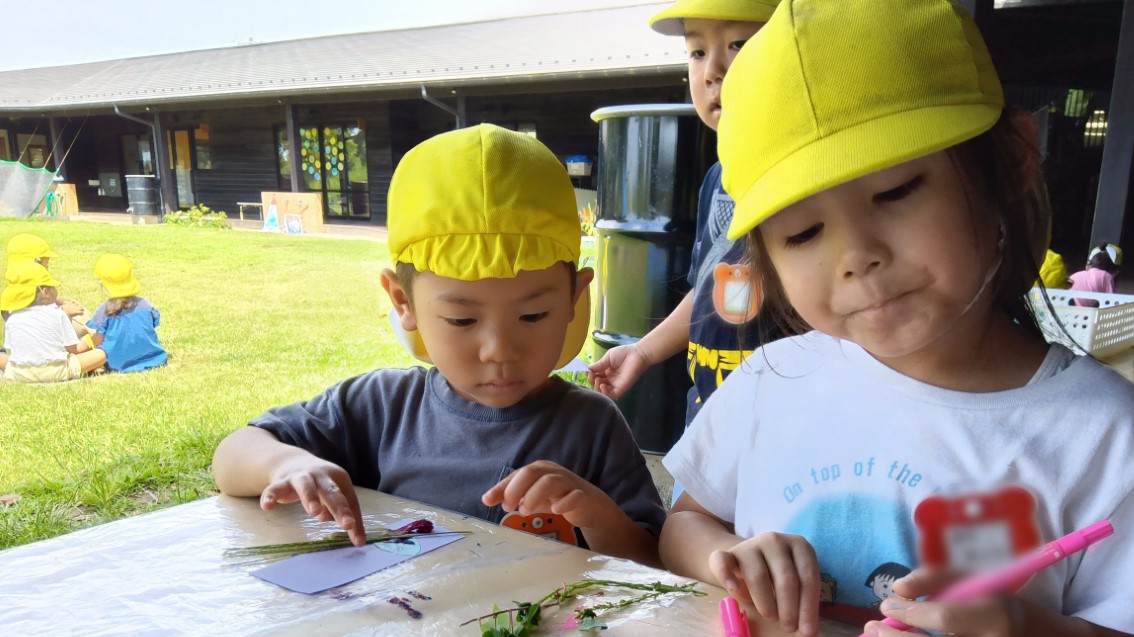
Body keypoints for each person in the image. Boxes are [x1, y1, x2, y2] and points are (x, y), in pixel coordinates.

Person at [659, 0, 1134, 637]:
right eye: (801, 233)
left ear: (1010, 163)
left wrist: (1021, 635)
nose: (858, 258)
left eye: (897, 190)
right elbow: (684, 523)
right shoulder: (771, 382)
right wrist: (728, 560)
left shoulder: (1102, 431)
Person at [212, 124, 665, 566]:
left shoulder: (592, 427)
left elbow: (654, 563)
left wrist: (593, 513)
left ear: (574, 298)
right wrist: (286, 465)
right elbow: (234, 454)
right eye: (462, 319)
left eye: (532, 316)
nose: (499, 350)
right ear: (403, 301)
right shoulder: (382, 408)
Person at [587, 0, 795, 430]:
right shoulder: (716, 179)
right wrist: (642, 351)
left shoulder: (809, 178)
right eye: (697, 51)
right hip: (707, 422)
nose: (712, 70)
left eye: (739, 43)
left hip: (785, 428)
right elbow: (707, 290)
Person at [0, 261, 107, 382]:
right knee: (100, 355)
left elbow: (14, 352)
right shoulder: (57, 313)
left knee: (4, 358)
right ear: (46, 292)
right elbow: (74, 351)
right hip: (56, 371)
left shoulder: (12, 318)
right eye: (54, 287)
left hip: (19, 373)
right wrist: (89, 339)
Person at [2, 232, 94, 340]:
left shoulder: (19, 282)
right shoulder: (22, 295)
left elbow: (36, 303)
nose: (48, 265)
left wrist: (57, 301)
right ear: (37, 261)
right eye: (47, 262)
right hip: (37, 346)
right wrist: (64, 312)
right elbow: (33, 320)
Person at [88, 253, 168, 373]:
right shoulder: (145, 305)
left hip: (117, 362)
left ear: (102, 283)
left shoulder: (105, 310)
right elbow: (149, 328)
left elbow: (98, 341)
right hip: (154, 358)